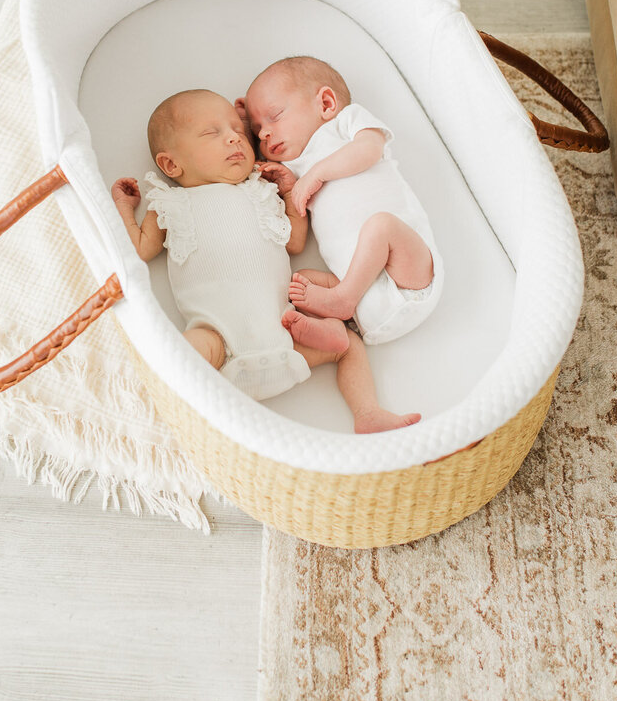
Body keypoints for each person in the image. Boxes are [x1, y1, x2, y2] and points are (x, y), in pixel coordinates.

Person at [112, 88, 421, 431]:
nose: (234, 139)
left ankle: (367, 412)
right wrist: (126, 209)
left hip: (287, 337)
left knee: (348, 344)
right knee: (179, 354)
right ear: (172, 164)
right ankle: (172, 416)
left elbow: (294, 240)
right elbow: (140, 249)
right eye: (213, 133)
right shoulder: (170, 203)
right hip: (218, 341)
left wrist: (290, 194)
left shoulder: (259, 192)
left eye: (237, 131)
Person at [238, 55, 444, 351]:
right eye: (258, 132)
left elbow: (371, 148)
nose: (265, 133)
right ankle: (336, 329)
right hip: (365, 302)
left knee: (381, 226)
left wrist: (317, 174)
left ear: (325, 104)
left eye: (275, 115)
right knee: (299, 281)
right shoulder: (295, 168)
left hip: (408, 274)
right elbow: (297, 230)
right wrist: (288, 187)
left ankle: (342, 300)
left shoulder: (344, 124)